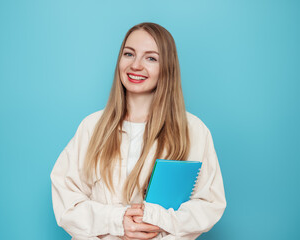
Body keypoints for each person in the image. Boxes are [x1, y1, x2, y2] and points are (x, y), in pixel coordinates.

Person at [50, 22, 226, 240]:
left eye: (151, 58)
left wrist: (154, 219)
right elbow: (66, 202)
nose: (136, 65)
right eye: (129, 54)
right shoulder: (91, 126)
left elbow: (209, 204)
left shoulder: (193, 130)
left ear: (167, 67)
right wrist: (117, 221)